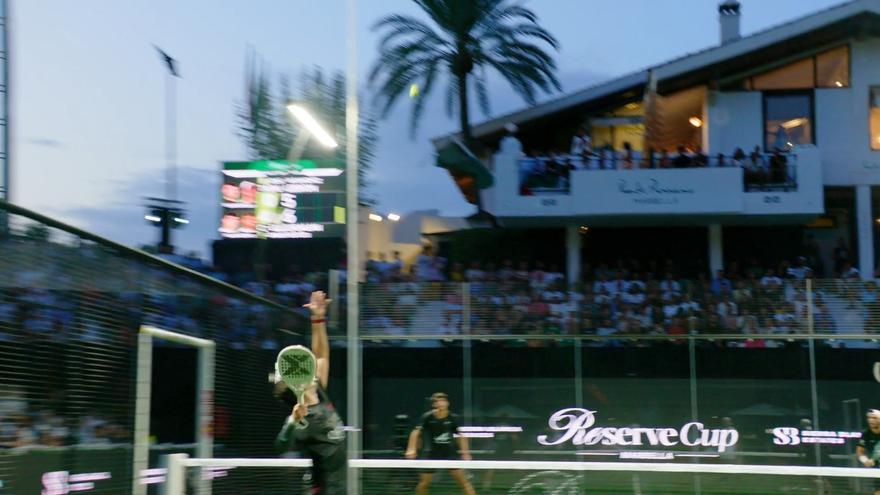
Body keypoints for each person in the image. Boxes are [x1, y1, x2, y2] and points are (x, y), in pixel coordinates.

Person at [274, 291, 346, 494]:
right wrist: (292, 422)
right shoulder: (302, 419)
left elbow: (321, 355)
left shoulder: (319, 393)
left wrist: (318, 319)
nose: (311, 370)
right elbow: (280, 446)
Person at [406, 392, 476, 495]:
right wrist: (411, 449)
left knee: (464, 482)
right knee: (424, 484)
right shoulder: (427, 417)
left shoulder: (453, 418)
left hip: (450, 453)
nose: (441, 403)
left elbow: (461, 436)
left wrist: (465, 453)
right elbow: (415, 432)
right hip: (431, 454)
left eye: (443, 401)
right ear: (434, 404)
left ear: (447, 403)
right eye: (438, 401)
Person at [857, 409, 880, 495]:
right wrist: (865, 461)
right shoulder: (866, 434)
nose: (871, 420)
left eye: (874, 418)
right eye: (869, 418)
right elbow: (860, 451)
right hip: (877, 471)